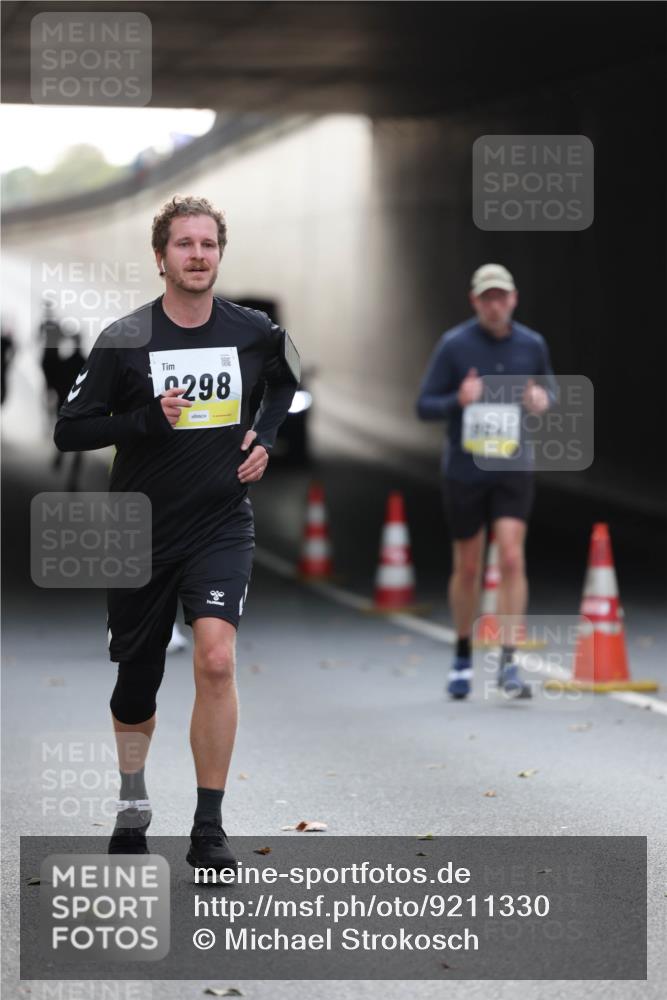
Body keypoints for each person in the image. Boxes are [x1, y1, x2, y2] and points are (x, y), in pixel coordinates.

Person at [54, 195, 299, 870]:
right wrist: (144, 421)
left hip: (221, 522)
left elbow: (285, 380)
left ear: (221, 253)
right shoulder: (124, 339)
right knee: (137, 685)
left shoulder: (253, 331)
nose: (197, 255)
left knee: (216, 659)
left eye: (208, 244)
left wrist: (266, 436)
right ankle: (133, 800)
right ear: (160, 256)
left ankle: (208, 827)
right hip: (140, 530)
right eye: (184, 245)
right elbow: (69, 429)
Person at [416, 263, 555, 700]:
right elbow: (423, 405)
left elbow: (548, 391)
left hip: (512, 465)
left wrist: (540, 399)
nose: (494, 305)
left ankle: (509, 663)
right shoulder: (454, 346)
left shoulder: (532, 344)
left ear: (513, 299)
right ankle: (461, 657)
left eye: (502, 297)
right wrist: (458, 399)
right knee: (470, 564)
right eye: (486, 298)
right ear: (475, 302)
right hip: (466, 468)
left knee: (512, 558)